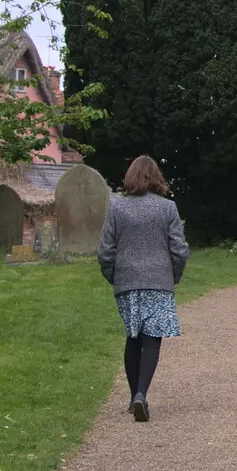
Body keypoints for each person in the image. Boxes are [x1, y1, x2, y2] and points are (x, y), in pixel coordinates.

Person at [96, 155, 189, 422]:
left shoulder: (117, 208)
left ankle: (133, 397)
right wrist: (174, 276)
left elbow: (105, 251)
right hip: (158, 281)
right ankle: (141, 394)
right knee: (152, 338)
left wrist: (114, 276)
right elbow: (179, 250)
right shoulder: (167, 208)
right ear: (156, 177)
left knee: (133, 336)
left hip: (126, 282)